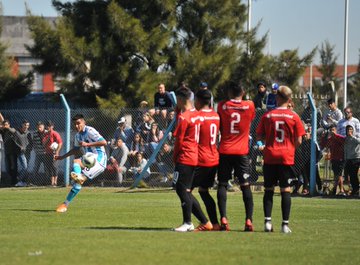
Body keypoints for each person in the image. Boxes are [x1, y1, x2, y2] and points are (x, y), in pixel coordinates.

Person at [256, 85, 306, 233]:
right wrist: (290, 149)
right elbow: (299, 140)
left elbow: (258, 135)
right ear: (289, 99)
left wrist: (264, 143)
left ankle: (267, 223)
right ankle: (284, 225)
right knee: (285, 190)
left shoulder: (268, 115)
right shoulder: (294, 116)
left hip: (270, 156)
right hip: (286, 157)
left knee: (269, 190)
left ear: (277, 98)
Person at [217, 81, 255, 231]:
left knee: (222, 184)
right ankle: (248, 221)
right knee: (245, 186)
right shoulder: (250, 105)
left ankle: (224, 219)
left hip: (225, 150)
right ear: (243, 92)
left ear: (229, 93)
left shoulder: (222, 106)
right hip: (241, 152)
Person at [55, 114, 107, 213]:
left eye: (78, 123)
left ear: (84, 122)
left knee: (79, 173)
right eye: (74, 124)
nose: (76, 126)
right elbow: (75, 150)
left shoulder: (90, 131)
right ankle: (65, 204)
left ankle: (79, 178)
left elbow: (104, 142)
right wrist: (61, 157)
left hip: (100, 161)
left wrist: (88, 144)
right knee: (76, 163)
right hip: (90, 159)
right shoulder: (78, 136)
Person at [172, 86, 207, 232]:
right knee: (185, 190)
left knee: (181, 189)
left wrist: (175, 157)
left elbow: (179, 140)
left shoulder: (184, 118)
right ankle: (205, 221)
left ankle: (188, 222)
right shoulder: (197, 114)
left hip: (185, 156)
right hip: (195, 156)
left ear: (180, 100)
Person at [191, 89, 221, 231]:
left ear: (198, 101)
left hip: (200, 159)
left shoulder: (198, 116)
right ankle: (215, 223)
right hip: (213, 158)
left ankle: (203, 222)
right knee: (203, 191)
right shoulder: (216, 116)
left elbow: (194, 139)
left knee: (185, 191)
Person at [320, 124, 346, 195]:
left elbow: (344, 141)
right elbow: (323, 145)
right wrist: (323, 137)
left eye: (333, 130)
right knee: (336, 175)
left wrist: (336, 135)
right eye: (331, 130)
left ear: (336, 130)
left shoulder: (340, 137)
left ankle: (341, 190)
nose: (332, 131)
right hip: (333, 158)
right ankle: (336, 189)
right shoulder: (330, 139)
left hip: (341, 158)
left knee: (339, 175)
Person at [43, 121, 63, 187]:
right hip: (47, 153)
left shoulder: (55, 133)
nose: (48, 127)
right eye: (47, 126)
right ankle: (52, 182)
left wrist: (57, 152)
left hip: (53, 153)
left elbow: (60, 143)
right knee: (49, 167)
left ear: (52, 126)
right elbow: (44, 143)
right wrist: (48, 137)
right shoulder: (46, 134)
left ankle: (55, 182)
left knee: (54, 167)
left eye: (50, 126)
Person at [0, 119, 18, 186]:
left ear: (9, 125)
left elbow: (14, 131)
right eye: (4, 125)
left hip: (13, 152)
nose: (5, 126)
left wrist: (7, 127)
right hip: (6, 152)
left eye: (6, 125)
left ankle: (14, 181)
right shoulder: (3, 131)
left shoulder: (11, 129)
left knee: (13, 167)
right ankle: (11, 180)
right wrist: (1, 127)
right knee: (8, 168)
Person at [343, 125, 360, 197]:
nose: (349, 131)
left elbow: (358, 141)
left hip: (355, 158)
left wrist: (352, 136)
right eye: (348, 129)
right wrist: (345, 158)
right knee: (350, 175)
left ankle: (356, 189)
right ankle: (355, 189)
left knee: (354, 174)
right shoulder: (345, 139)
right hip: (348, 159)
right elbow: (345, 149)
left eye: (350, 129)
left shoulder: (356, 136)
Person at [14, 121, 31, 187]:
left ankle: (23, 182)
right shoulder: (17, 132)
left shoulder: (28, 133)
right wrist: (20, 147)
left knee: (26, 168)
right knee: (24, 166)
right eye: (25, 125)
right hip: (21, 153)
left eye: (27, 125)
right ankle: (19, 180)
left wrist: (30, 148)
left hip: (27, 152)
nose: (26, 126)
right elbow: (14, 141)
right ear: (22, 125)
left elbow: (31, 142)